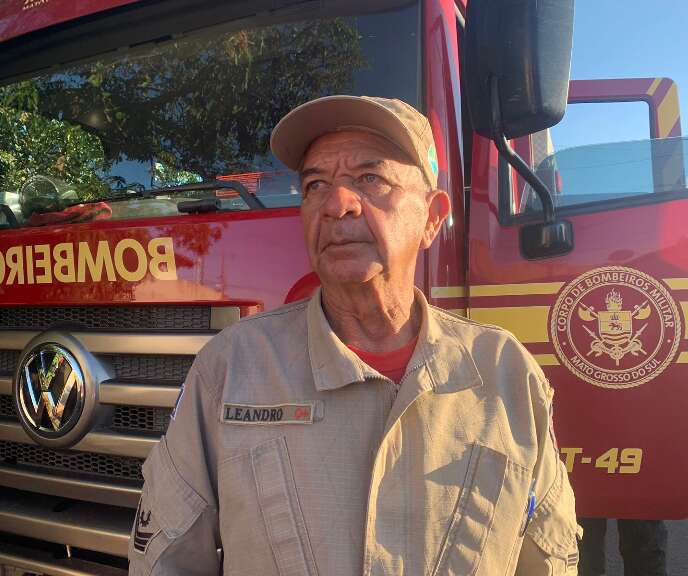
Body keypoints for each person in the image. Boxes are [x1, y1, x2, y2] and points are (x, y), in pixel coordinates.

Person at [128, 95, 582, 575]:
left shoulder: (505, 373)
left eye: (371, 179)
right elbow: (165, 562)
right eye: (315, 185)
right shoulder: (230, 367)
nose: (337, 203)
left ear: (432, 217)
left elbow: (550, 561)